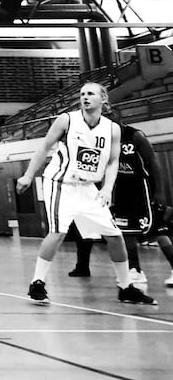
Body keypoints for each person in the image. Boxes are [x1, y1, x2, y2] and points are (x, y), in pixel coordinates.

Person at [15, 82, 155, 305]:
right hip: (61, 183)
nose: (85, 97)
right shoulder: (67, 120)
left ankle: (125, 287)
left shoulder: (112, 129)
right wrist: (29, 175)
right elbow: (44, 147)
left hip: (89, 187)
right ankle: (37, 284)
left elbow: (112, 161)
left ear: (103, 99)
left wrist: (108, 188)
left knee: (115, 235)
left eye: (90, 93)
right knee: (58, 232)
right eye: (82, 94)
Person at [70, 122, 173, 288]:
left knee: (158, 230)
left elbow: (154, 162)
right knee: (125, 232)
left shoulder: (134, 136)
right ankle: (135, 270)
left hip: (142, 189)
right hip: (120, 191)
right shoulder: (102, 140)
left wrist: (160, 191)